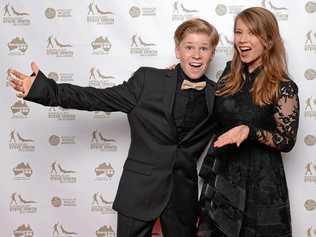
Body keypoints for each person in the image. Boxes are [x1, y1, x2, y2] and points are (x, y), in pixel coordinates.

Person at [9, 18, 220, 236]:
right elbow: (96, 98)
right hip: (139, 190)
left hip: (182, 198)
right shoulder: (148, 80)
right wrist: (45, 90)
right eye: (189, 47)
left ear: (212, 54)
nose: (196, 55)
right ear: (178, 50)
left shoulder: (218, 95)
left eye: (204, 48)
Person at [197, 7, 299, 237]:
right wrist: (178, 76)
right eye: (238, 32)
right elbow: (210, 111)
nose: (242, 40)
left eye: (251, 33)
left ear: (268, 40)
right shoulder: (228, 75)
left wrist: (249, 131)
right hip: (223, 178)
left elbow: (287, 140)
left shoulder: (283, 87)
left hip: (261, 187)